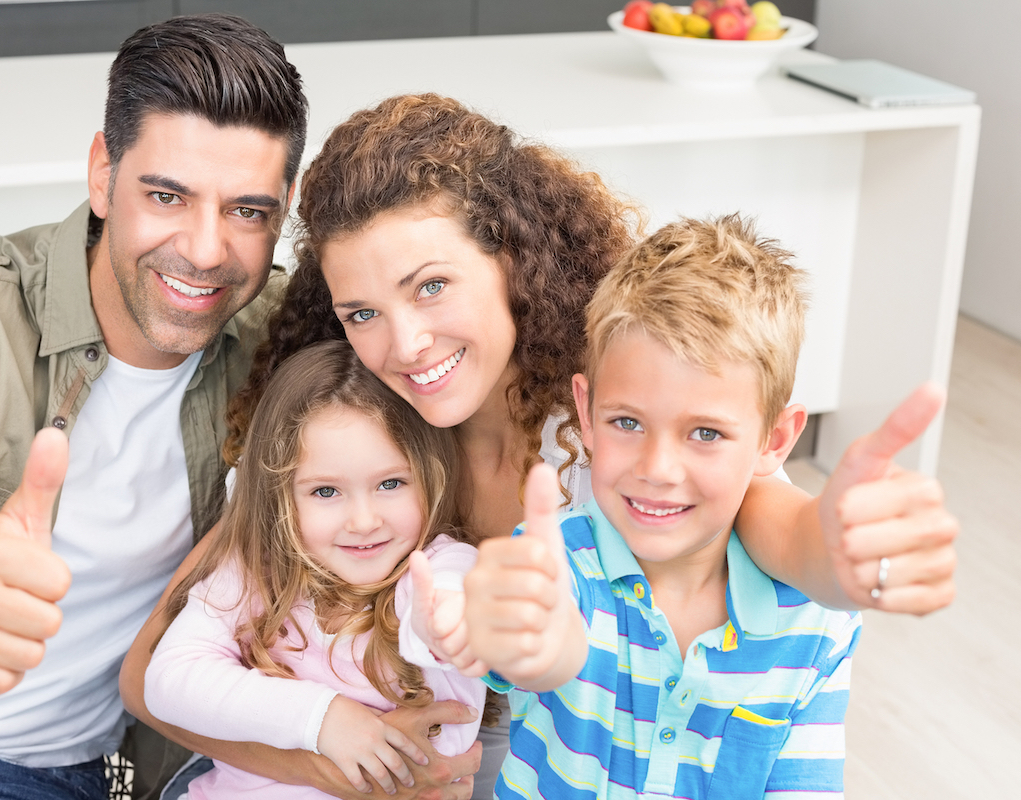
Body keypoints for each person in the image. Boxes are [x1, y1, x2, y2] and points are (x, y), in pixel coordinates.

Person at [119, 94, 956, 800]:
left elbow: (770, 522)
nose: (405, 344)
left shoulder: (619, 419)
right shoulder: (359, 428)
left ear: (513, 258)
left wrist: (843, 553)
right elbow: (147, 681)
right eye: (362, 312)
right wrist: (340, 762)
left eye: (433, 286)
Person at [0, 15, 481, 800]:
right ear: (103, 172)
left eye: (247, 211)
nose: (206, 251)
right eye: (167, 195)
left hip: (104, 774)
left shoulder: (280, 338)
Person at [461, 215, 866, 799]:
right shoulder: (554, 566)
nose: (656, 469)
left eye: (704, 433)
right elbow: (533, 652)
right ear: (586, 410)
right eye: (627, 422)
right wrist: (537, 646)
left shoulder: (815, 623)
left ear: (774, 441)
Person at [141, 339, 486, 800]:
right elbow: (168, 680)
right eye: (326, 491)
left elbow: (447, 603)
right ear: (281, 496)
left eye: (390, 483)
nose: (364, 521)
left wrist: (448, 625)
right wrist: (322, 719)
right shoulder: (256, 571)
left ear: (430, 474)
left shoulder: (439, 566)